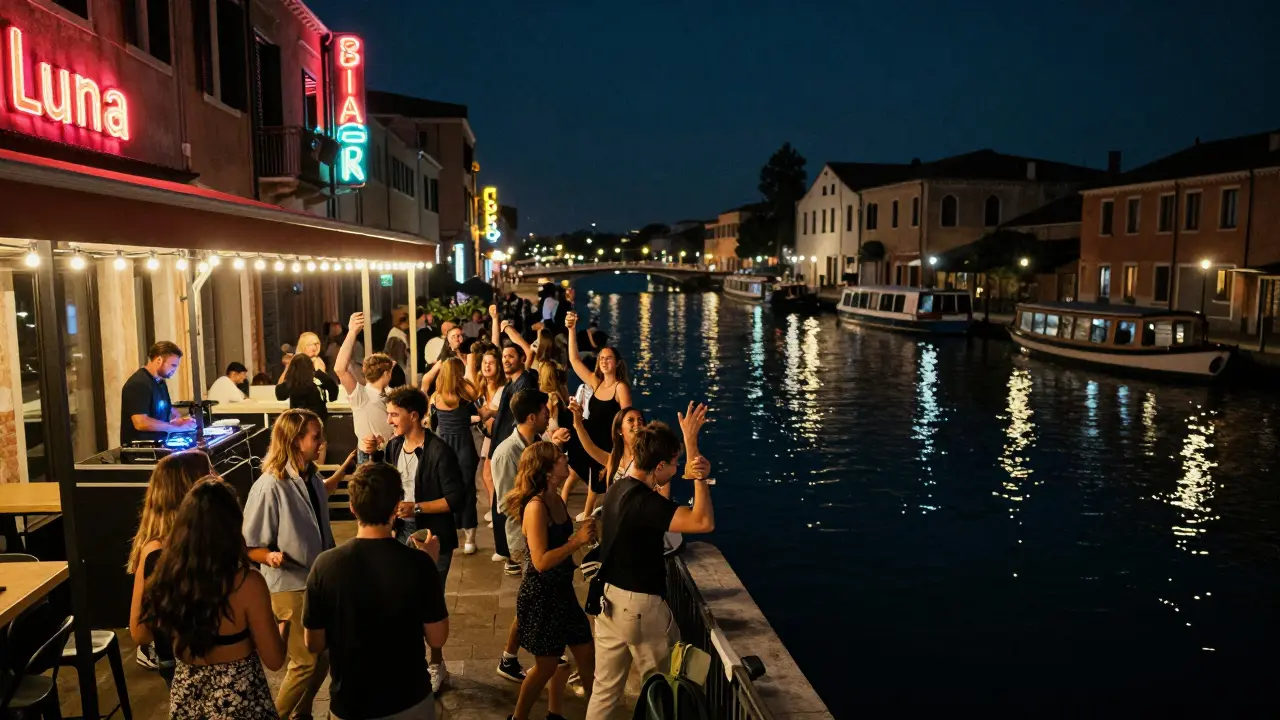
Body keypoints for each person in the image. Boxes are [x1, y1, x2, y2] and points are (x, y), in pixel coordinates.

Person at [585, 404, 715, 720]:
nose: (676, 470)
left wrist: (690, 446)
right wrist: (700, 477)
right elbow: (702, 522)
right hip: (640, 609)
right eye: (673, 464)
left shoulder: (618, 489)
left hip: (610, 603)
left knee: (604, 693)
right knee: (666, 690)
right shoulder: (644, 503)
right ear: (657, 467)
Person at [304, 462, 450, 720]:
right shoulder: (418, 564)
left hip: (349, 704)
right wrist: (429, 565)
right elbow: (437, 638)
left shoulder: (325, 566)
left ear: (352, 507)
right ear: (396, 507)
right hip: (408, 700)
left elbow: (313, 642)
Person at [133, 479, 286, 719]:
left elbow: (141, 633)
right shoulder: (247, 583)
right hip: (240, 700)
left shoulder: (167, 575)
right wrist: (282, 628)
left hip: (187, 697)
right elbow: (275, 660)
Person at [363, 386, 465, 694]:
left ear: (414, 416)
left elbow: (456, 499)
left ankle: (437, 665)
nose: (390, 420)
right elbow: (386, 482)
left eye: (395, 414)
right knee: (404, 599)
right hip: (400, 533)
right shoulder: (394, 447)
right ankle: (412, 662)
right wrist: (372, 455)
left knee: (430, 601)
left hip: (431, 537)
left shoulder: (439, 451)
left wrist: (416, 507)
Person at [242, 409, 340, 720]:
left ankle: (301, 713)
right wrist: (269, 556)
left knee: (324, 655)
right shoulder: (270, 486)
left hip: (315, 581)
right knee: (306, 661)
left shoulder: (312, 476)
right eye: (315, 436)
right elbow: (248, 546)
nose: (321, 441)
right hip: (290, 586)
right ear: (296, 441)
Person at [504, 442, 596, 720]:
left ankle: (579, 714)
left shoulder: (556, 497)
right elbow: (541, 561)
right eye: (559, 458)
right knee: (546, 665)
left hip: (562, 592)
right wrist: (576, 541)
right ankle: (519, 717)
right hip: (541, 596)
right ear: (546, 470)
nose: (565, 459)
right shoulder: (536, 506)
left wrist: (582, 537)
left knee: (586, 655)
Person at [490, 389, 570, 683]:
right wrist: (539, 515)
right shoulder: (506, 453)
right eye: (545, 411)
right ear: (531, 417)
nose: (549, 415)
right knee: (532, 601)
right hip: (526, 541)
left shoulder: (537, 444)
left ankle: (522, 655)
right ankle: (515, 657)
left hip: (543, 535)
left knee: (535, 599)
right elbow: (503, 504)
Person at [126, 450, 215, 680]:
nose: (217, 477)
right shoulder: (156, 553)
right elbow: (140, 632)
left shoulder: (204, 538)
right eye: (209, 473)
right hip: (183, 667)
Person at [566, 312, 633, 519]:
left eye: (609, 358)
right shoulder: (596, 383)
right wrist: (571, 330)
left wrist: (627, 447)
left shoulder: (619, 388)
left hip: (607, 441)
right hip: (589, 438)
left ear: (617, 363)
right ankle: (589, 512)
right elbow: (574, 360)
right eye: (601, 358)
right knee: (584, 472)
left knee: (603, 481)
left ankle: (599, 514)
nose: (604, 361)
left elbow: (628, 418)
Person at [486, 344, 538, 564]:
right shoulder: (512, 383)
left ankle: (507, 549)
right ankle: (505, 547)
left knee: (506, 496)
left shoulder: (524, 384)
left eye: (511, 356)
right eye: (504, 356)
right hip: (501, 440)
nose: (506, 360)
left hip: (509, 444)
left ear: (521, 358)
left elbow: (518, 417)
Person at [429, 357, 481, 555]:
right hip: (464, 447)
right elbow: (476, 392)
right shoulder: (464, 395)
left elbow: (432, 422)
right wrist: (465, 377)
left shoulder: (435, 397)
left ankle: (449, 530)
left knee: (445, 490)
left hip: (444, 448)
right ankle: (470, 537)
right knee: (468, 490)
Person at [336, 312, 395, 462]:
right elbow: (339, 369)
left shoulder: (391, 394)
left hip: (392, 452)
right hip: (371, 456)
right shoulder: (362, 395)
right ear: (387, 373)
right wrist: (351, 332)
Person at [120, 341, 194, 445]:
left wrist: (179, 420)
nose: (175, 370)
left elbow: (166, 408)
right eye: (173, 365)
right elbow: (141, 422)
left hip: (159, 445)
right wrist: (175, 428)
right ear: (159, 360)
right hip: (142, 452)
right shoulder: (138, 384)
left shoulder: (160, 382)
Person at [475, 344, 506, 525]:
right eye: (484, 363)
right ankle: (495, 509)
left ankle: (498, 511)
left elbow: (489, 415)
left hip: (498, 436)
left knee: (489, 474)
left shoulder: (502, 389)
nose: (487, 366)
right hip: (487, 436)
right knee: (487, 474)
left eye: (491, 363)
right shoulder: (480, 387)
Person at [276, 352, 339, 422]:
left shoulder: (292, 382)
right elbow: (333, 387)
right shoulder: (319, 376)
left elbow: (280, 395)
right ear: (310, 364)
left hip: (298, 420)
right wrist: (331, 398)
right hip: (318, 418)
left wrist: (287, 369)